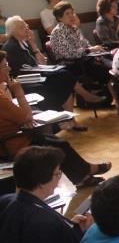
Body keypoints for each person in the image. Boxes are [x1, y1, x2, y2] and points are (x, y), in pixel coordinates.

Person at [0, 51, 109, 186]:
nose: (9, 69)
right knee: (58, 146)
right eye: (5, 66)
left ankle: (84, 176)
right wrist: (19, 92)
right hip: (12, 142)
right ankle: (86, 172)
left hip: (18, 134)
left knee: (57, 142)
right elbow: (27, 117)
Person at [3, 15, 104, 115]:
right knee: (64, 77)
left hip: (37, 74)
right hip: (27, 80)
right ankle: (83, 99)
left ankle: (71, 118)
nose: (26, 28)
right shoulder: (11, 47)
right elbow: (21, 71)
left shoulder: (25, 43)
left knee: (64, 75)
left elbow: (42, 62)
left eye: (25, 25)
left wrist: (32, 42)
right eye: (21, 27)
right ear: (13, 31)